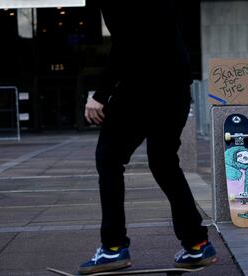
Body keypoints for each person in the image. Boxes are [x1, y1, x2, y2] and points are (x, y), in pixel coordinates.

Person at [79, 1, 217, 274]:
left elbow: (126, 43)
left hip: (143, 88)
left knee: (108, 158)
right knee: (164, 162)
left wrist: (100, 95)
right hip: (176, 88)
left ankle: (113, 248)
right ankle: (197, 243)